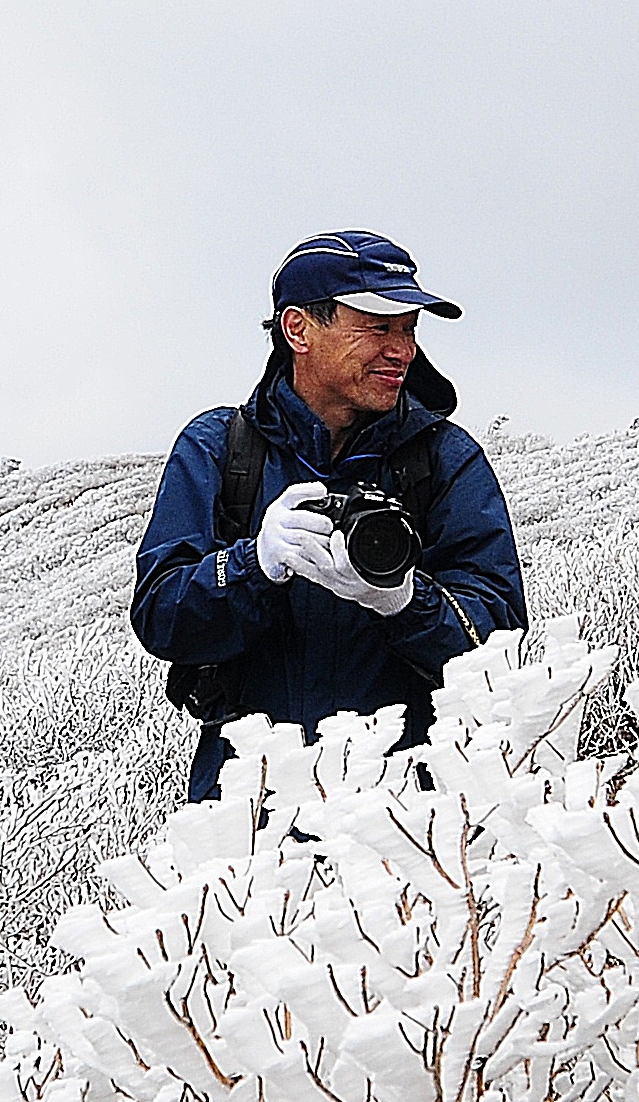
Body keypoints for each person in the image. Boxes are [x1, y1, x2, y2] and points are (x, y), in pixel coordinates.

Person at [130, 230, 529, 802]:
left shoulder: (442, 458)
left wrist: (402, 600)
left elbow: (501, 641)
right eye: (378, 326)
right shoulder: (220, 450)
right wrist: (252, 566)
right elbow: (160, 618)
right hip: (251, 812)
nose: (404, 350)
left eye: (410, 328)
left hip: (408, 820)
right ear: (299, 330)